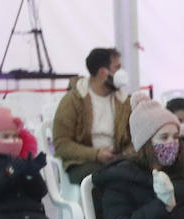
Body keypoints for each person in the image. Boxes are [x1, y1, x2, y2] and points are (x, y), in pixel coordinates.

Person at [52, 47, 133, 186]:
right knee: (111, 178)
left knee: (136, 175)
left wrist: (125, 154)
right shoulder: (73, 100)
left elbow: (134, 137)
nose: (122, 73)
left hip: (117, 161)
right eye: (117, 68)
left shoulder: (124, 101)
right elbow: (61, 144)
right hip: (82, 162)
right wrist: (96, 154)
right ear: (102, 73)